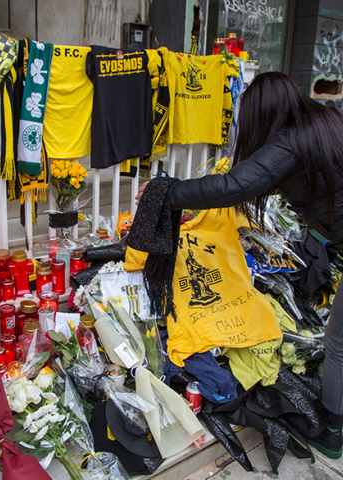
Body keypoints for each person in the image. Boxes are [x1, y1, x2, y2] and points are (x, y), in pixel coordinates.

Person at [135, 72, 343, 459]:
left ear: (264, 112)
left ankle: (331, 430)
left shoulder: (290, 140)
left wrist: (170, 191)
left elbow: (233, 186)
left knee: (338, 346)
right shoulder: (327, 123)